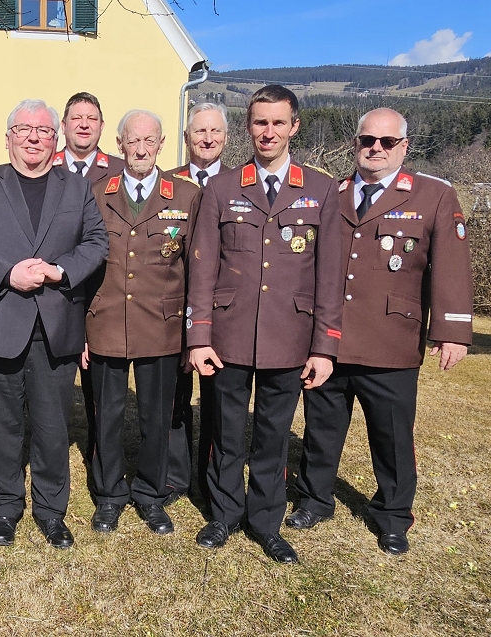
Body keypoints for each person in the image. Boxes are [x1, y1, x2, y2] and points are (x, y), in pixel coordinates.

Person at [286, 107, 473, 556]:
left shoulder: (433, 195)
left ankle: (392, 515)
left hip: (391, 339)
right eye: (368, 140)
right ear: (355, 143)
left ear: (403, 146)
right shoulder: (332, 193)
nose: (376, 148)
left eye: (387, 142)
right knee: (321, 428)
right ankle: (314, 499)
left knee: (391, 436)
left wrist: (452, 331)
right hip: (330, 339)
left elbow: (451, 268)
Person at [186, 85, 343, 564]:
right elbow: (202, 268)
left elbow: (330, 276)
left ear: (294, 126)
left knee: (273, 436)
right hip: (228, 335)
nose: (268, 132)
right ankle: (224, 514)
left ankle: (266, 522)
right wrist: (199, 336)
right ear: (248, 126)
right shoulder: (222, 187)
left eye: (278, 122)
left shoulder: (320, 189)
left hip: (290, 335)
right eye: (260, 122)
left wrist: (325, 347)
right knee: (226, 431)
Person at [0, 99, 108, 549]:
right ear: (9, 138)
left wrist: (61, 270)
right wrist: (7, 273)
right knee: (0, 426)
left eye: (43, 130)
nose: (33, 137)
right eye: (23, 129)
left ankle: (51, 511)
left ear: (55, 139)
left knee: (52, 427)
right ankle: (4, 507)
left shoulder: (75, 186)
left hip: (55, 327)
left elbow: (97, 241)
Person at [84, 109, 201, 535]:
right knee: (107, 416)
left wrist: (194, 336)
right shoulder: (96, 193)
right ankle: (109, 494)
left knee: (158, 418)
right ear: (119, 144)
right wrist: (78, 330)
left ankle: (151, 493)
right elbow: (83, 265)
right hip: (106, 321)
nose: (141, 148)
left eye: (149, 140)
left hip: (162, 326)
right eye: (133, 140)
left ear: (161, 144)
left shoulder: (186, 196)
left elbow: (197, 270)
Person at [162, 101, 230, 504]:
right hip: (174, 309)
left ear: (226, 138)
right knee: (175, 397)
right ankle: (175, 477)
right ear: (186, 137)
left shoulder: (240, 184)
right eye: (199, 131)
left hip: (222, 312)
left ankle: (210, 480)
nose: (207, 139)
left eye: (215, 131)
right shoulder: (167, 183)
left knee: (218, 401)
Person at [54, 91, 125, 460]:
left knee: (101, 389)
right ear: (63, 125)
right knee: (52, 386)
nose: (84, 125)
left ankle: (100, 454)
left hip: (103, 291)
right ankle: (52, 449)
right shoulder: (43, 166)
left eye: (91, 119)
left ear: (102, 126)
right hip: (56, 292)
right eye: (76, 118)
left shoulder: (121, 170)